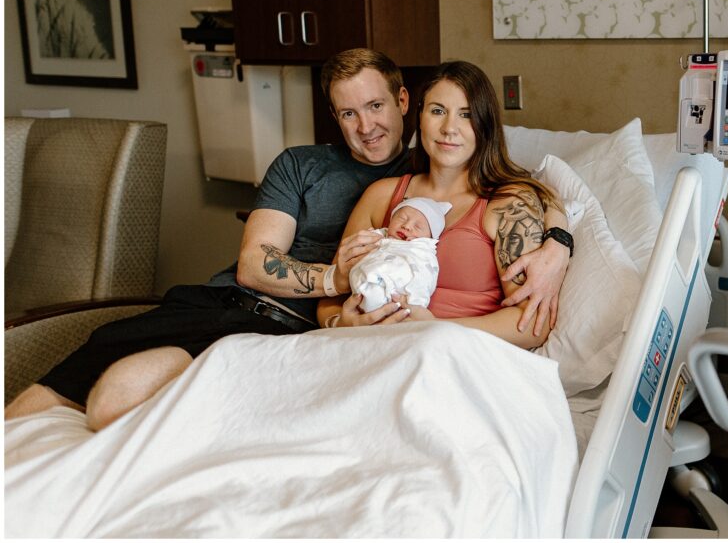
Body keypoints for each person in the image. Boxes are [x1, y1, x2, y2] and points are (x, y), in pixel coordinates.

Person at [6, 48, 571, 429]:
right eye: (348, 113)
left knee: (113, 401)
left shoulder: (487, 194)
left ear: (402, 105)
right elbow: (259, 266)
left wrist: (561, 238)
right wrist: (337, 299)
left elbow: (535, 190)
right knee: (86, 363)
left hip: (292, 329)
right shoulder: (333, 177)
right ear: (421, 113)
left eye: (376, 106)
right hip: (239, 306)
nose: (366, 125)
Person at [318, 60, 564, 350]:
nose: (449, 128)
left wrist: (433, 329)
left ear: (484, 124)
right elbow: (331, 298)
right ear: (419, 114)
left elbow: (532, 325)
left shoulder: (507, 204)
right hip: (373, 351)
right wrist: (342, 324)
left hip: (456, 358)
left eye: (466, 115)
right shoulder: (381, 196)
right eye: (437, 111)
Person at [348, 197, 451, 312]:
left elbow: (424, 278)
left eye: (418, 226)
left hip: (390, 291)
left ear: (429, 237)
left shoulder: (422, 252)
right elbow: (351, 253)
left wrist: (416, 304)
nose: (406, 226)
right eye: (402, 218)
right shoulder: (379, 236)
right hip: (358, 284)